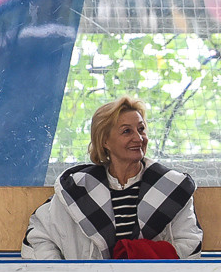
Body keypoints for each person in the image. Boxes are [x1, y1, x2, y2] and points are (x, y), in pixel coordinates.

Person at [21, 96, 202, 260]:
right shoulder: (76, 191)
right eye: (126, 131)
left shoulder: (173, 188)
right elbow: (38, 235)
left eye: (141, 129)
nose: (138, 138)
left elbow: (190, 244)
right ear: (104, 141)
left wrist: (141, 256)